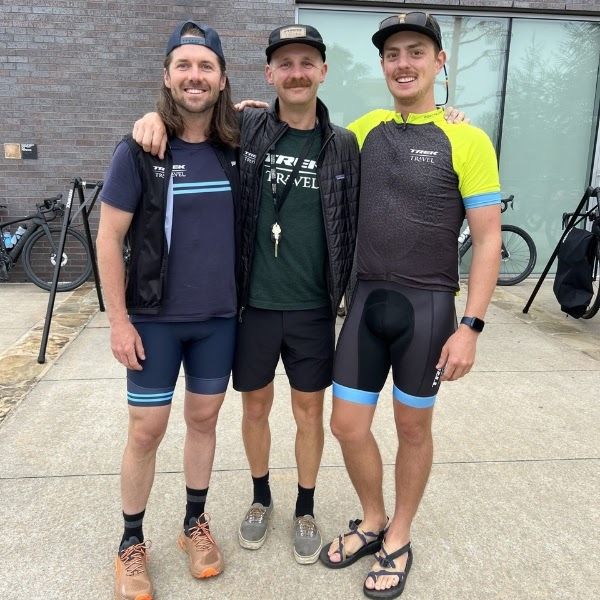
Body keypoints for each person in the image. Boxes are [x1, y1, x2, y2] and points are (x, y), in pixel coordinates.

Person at [133, 24, 360, 565]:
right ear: (269, 74)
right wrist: (146, 118)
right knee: (254, 408)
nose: (297, 72)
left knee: (309, 411)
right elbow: (187, 113)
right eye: (286, 64)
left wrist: (449, 114)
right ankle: (261, 499)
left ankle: (305, 506)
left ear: (323, 72)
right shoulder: (248, 129)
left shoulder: (345, 143)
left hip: (312, 306)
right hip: (252, 304)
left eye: (308, 63)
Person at [319, 12, 502, 600]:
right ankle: (372, 519)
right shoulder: (366, 128)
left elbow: (489, 238)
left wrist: (471, 325)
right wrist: (245, 112)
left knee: (411, 427)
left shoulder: (467, 138)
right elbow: (301, 131)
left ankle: (399, 534)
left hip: (427, 307)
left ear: (438, 61)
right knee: (347, 425)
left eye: (416, 52)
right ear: (383, 64)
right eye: (393, 53)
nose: (403, 63)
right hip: (367, 299)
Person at [96, 21, 240, 600]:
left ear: (222, 78)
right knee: (147, 430)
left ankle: (193, 524)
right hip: (153, 320)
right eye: (183, 65)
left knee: (203, 422)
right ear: (166, 76)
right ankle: (131, 541)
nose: (194, 76)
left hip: (219, 321)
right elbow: (109, 238)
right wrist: (119, 320)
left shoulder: (238, 146)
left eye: (206, 66)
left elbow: (289, 114)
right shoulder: (140, 148)